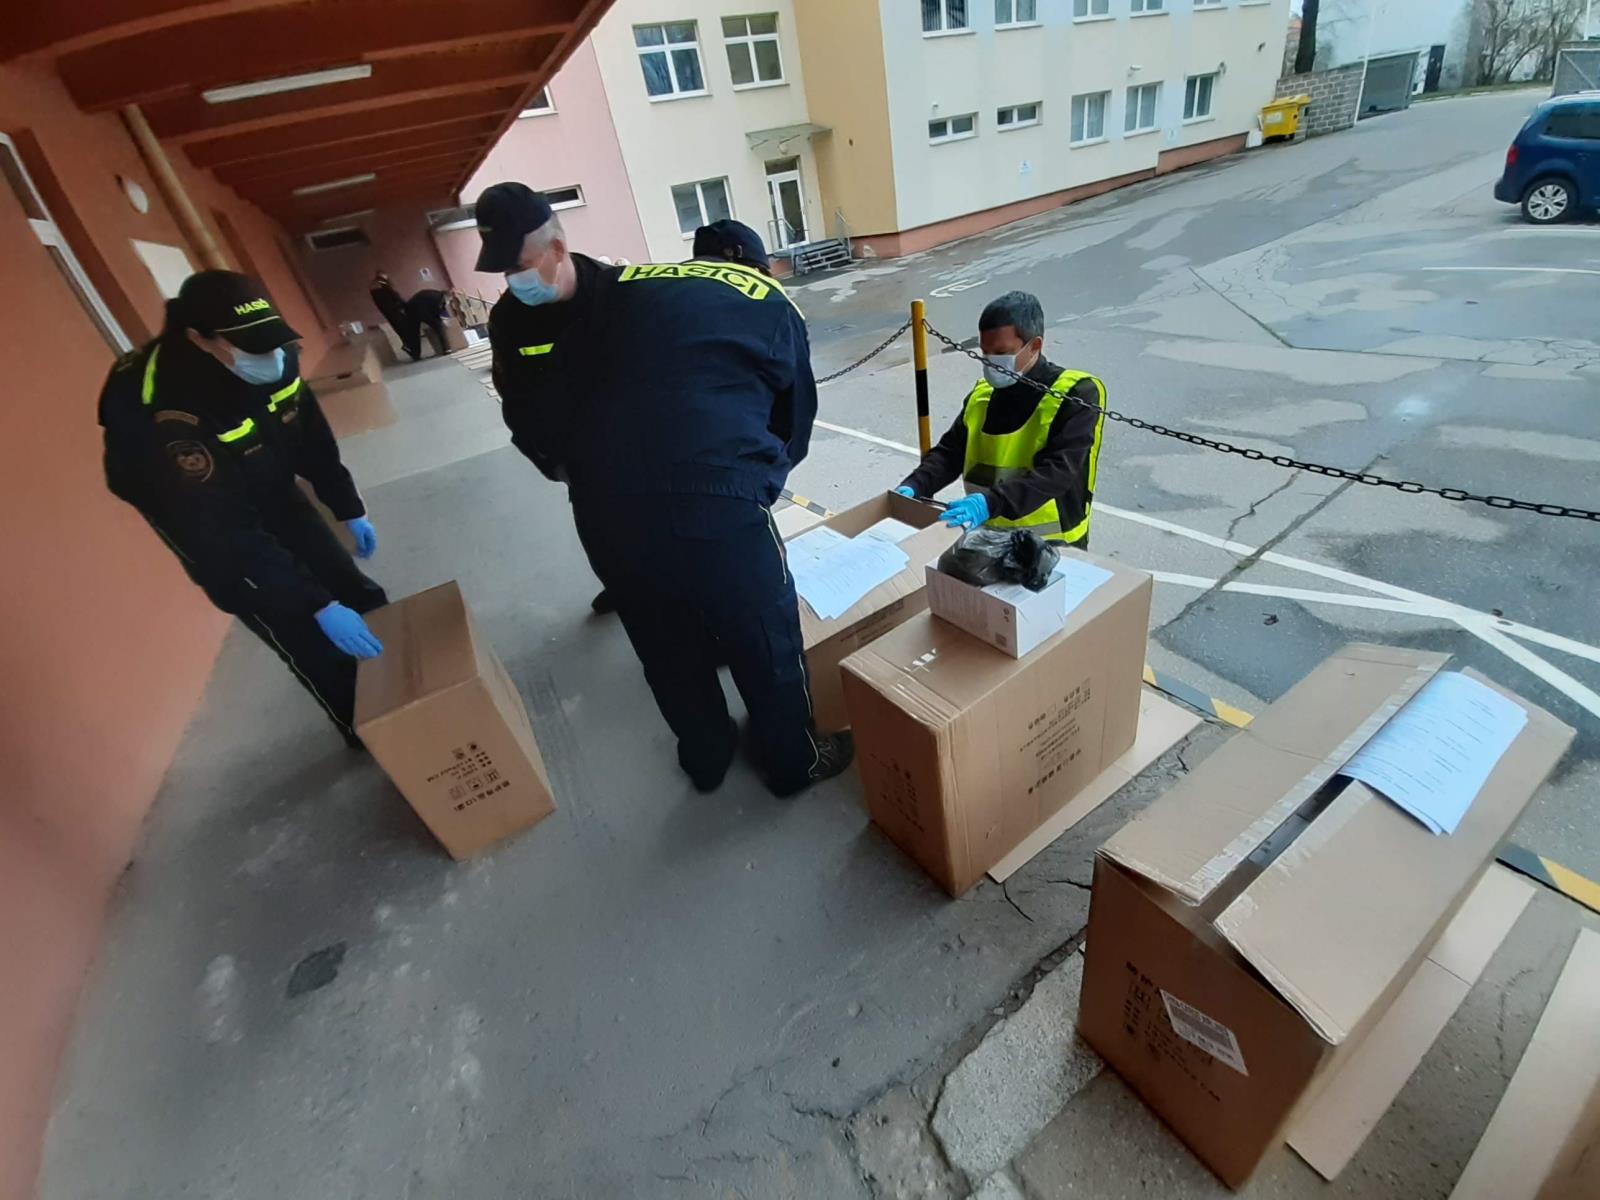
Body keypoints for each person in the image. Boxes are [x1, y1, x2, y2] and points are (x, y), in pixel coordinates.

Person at [559, 218, 852, 796]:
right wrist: (755, 487)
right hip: (714, 495)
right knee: (764, 635)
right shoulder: (767, 297)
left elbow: (553, 385)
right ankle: (791, 763)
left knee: (661, 638)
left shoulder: (623, 284)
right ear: (746, 260)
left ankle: (706, 755)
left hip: (602, 501)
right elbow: (793, 421)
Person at [99, 270, 387, 745]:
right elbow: (225, 534)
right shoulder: (166, 415)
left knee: (352, 588)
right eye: (252, 348)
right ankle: (372, 733)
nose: (271, 357)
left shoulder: (275, 356)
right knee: (305, 630)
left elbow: (312, 438)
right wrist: (315, 604)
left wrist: (347, 506)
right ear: (200, 339)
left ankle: (406, 690)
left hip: (265, 480)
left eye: (273, 342)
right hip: (197, 514)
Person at [474, 182, 616, 614]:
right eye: (505, 271)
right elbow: (514, 397)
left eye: (519, 266)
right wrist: (550, 462)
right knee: (603, 540)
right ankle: (622, 587)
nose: (513, 280)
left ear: (556, 248)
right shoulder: (508, 320)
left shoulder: (618, 295)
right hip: (581, 465)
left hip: (646, 453)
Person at [896, 290, 1106, 549]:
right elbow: (950, 453)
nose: (991, 362)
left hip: (1053, 547)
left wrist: (988, 503)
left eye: (1001, 352)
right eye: (985, 352)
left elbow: (1059, 471)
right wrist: (915, 485)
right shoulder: (981, 396)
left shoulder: (1075, 394)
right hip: (987, 541)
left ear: (1034, 346)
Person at [368, 271, 420, 358]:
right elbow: (396, 298)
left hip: (390, 315)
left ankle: (410, 349)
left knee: (402, 332)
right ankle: (413, 351)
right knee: (408, 332)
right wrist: (406, 305)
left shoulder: (374, 290)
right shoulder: (385, 287)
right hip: (397, 312)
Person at [406, 287, 449, 358]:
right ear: (445, 296)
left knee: (415, 333)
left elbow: (440, 309)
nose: (448, 301)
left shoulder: (435, 294)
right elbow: (437, 311)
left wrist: (444, 318)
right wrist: (442, 320)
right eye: (449, 299)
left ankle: (415, 354)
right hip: (420, 311)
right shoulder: (438, 298)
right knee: (438, 327)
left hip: (411, 310)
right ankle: (446, 349)